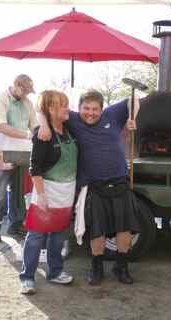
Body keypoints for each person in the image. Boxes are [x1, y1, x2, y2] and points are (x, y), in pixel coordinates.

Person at [38, 89, 140, 286]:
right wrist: (43, 124)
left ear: (102, 109)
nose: (90, 113)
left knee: (124, 229)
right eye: (86, 108)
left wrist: (132, 117)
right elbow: (42, 107)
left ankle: (121, 266)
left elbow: (134, 99)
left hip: (119, 181)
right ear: (79, 108)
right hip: (93, 185)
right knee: (96, 229)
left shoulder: (113, 114)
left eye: (95, 109)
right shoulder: (73, 119)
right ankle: (96, 266)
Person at [20, 90, 77, 295]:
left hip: (66, 193)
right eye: (63, 105)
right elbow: (34, 168)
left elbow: (38, 108)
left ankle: (55, 272)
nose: (67, 108)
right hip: (47, 192)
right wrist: (42, 195)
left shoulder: (68, 128)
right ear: (51, 109)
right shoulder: (42, 134)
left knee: (58, 235)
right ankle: (27, 277)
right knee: (36, 236)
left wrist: (44, 118)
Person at [0, 74, 37, 241]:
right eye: (25, 90)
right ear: (16, 85)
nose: (27, 94)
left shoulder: (27, 103)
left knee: (19, 193)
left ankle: (16, 225)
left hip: (23, 154)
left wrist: (37, 132)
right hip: (2, 153)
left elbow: (35, 126)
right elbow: (1, 126)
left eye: (29, 91)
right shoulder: (1, 99)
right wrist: (27, 135)